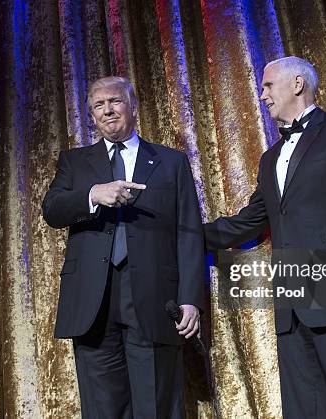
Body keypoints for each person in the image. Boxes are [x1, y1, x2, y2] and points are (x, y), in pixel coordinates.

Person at [204, 56, 326, 418]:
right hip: (293, 312)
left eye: (267, 85)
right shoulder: (270, 158)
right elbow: (249, 221)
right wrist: (180, 235)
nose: (262, 95)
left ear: (297, 84)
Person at [42, 76, 204, 419]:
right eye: (98, 105)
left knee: (156, 405)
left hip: (154, 296)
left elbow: (188, 232)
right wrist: (92, 195)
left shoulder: (171, 162)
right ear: (92, 115)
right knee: (102, 408)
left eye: (114, 101)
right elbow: (52, 210)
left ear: (132, 106)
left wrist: (191, 299)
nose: (107, 110)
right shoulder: (74, 161)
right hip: (92, 300)